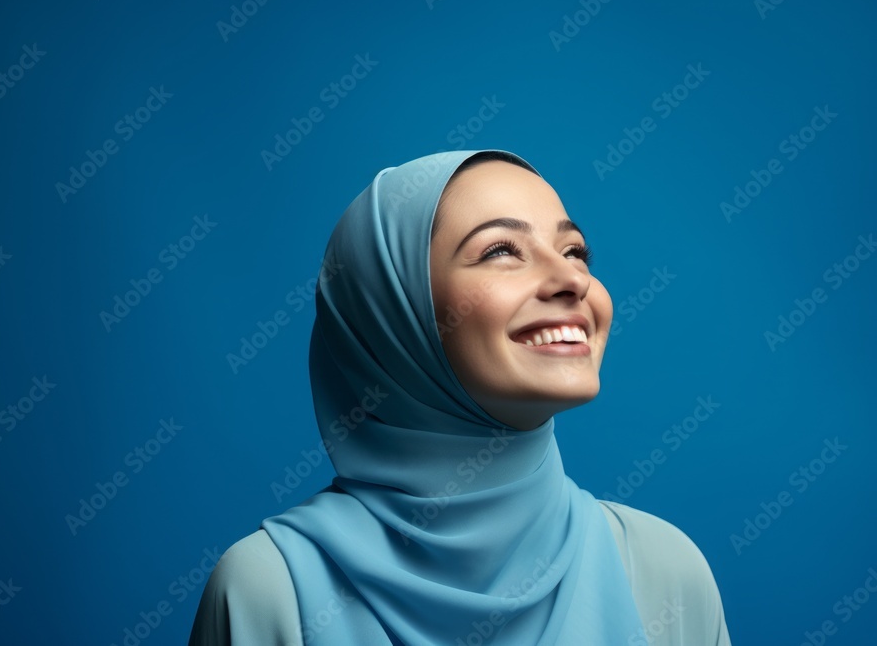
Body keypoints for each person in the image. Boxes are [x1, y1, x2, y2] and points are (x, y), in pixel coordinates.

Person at [188, 149, 731, 645]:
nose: (571, 278)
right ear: (393, 314)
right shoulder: (269, 588)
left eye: (575, 250)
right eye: (500, 250)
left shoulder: (665, 572)